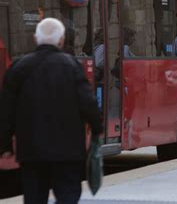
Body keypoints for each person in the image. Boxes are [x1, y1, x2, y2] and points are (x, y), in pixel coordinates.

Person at [0, 18, 102, 204]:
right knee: (67, 195)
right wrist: (97, 129)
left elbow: (6, 109)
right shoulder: (71, 66)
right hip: (68, 150)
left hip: (31, 150)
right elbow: (88, 103)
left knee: (34, 197)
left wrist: (5, 144)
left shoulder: (18, 68)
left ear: (35, 39)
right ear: (61, 40)